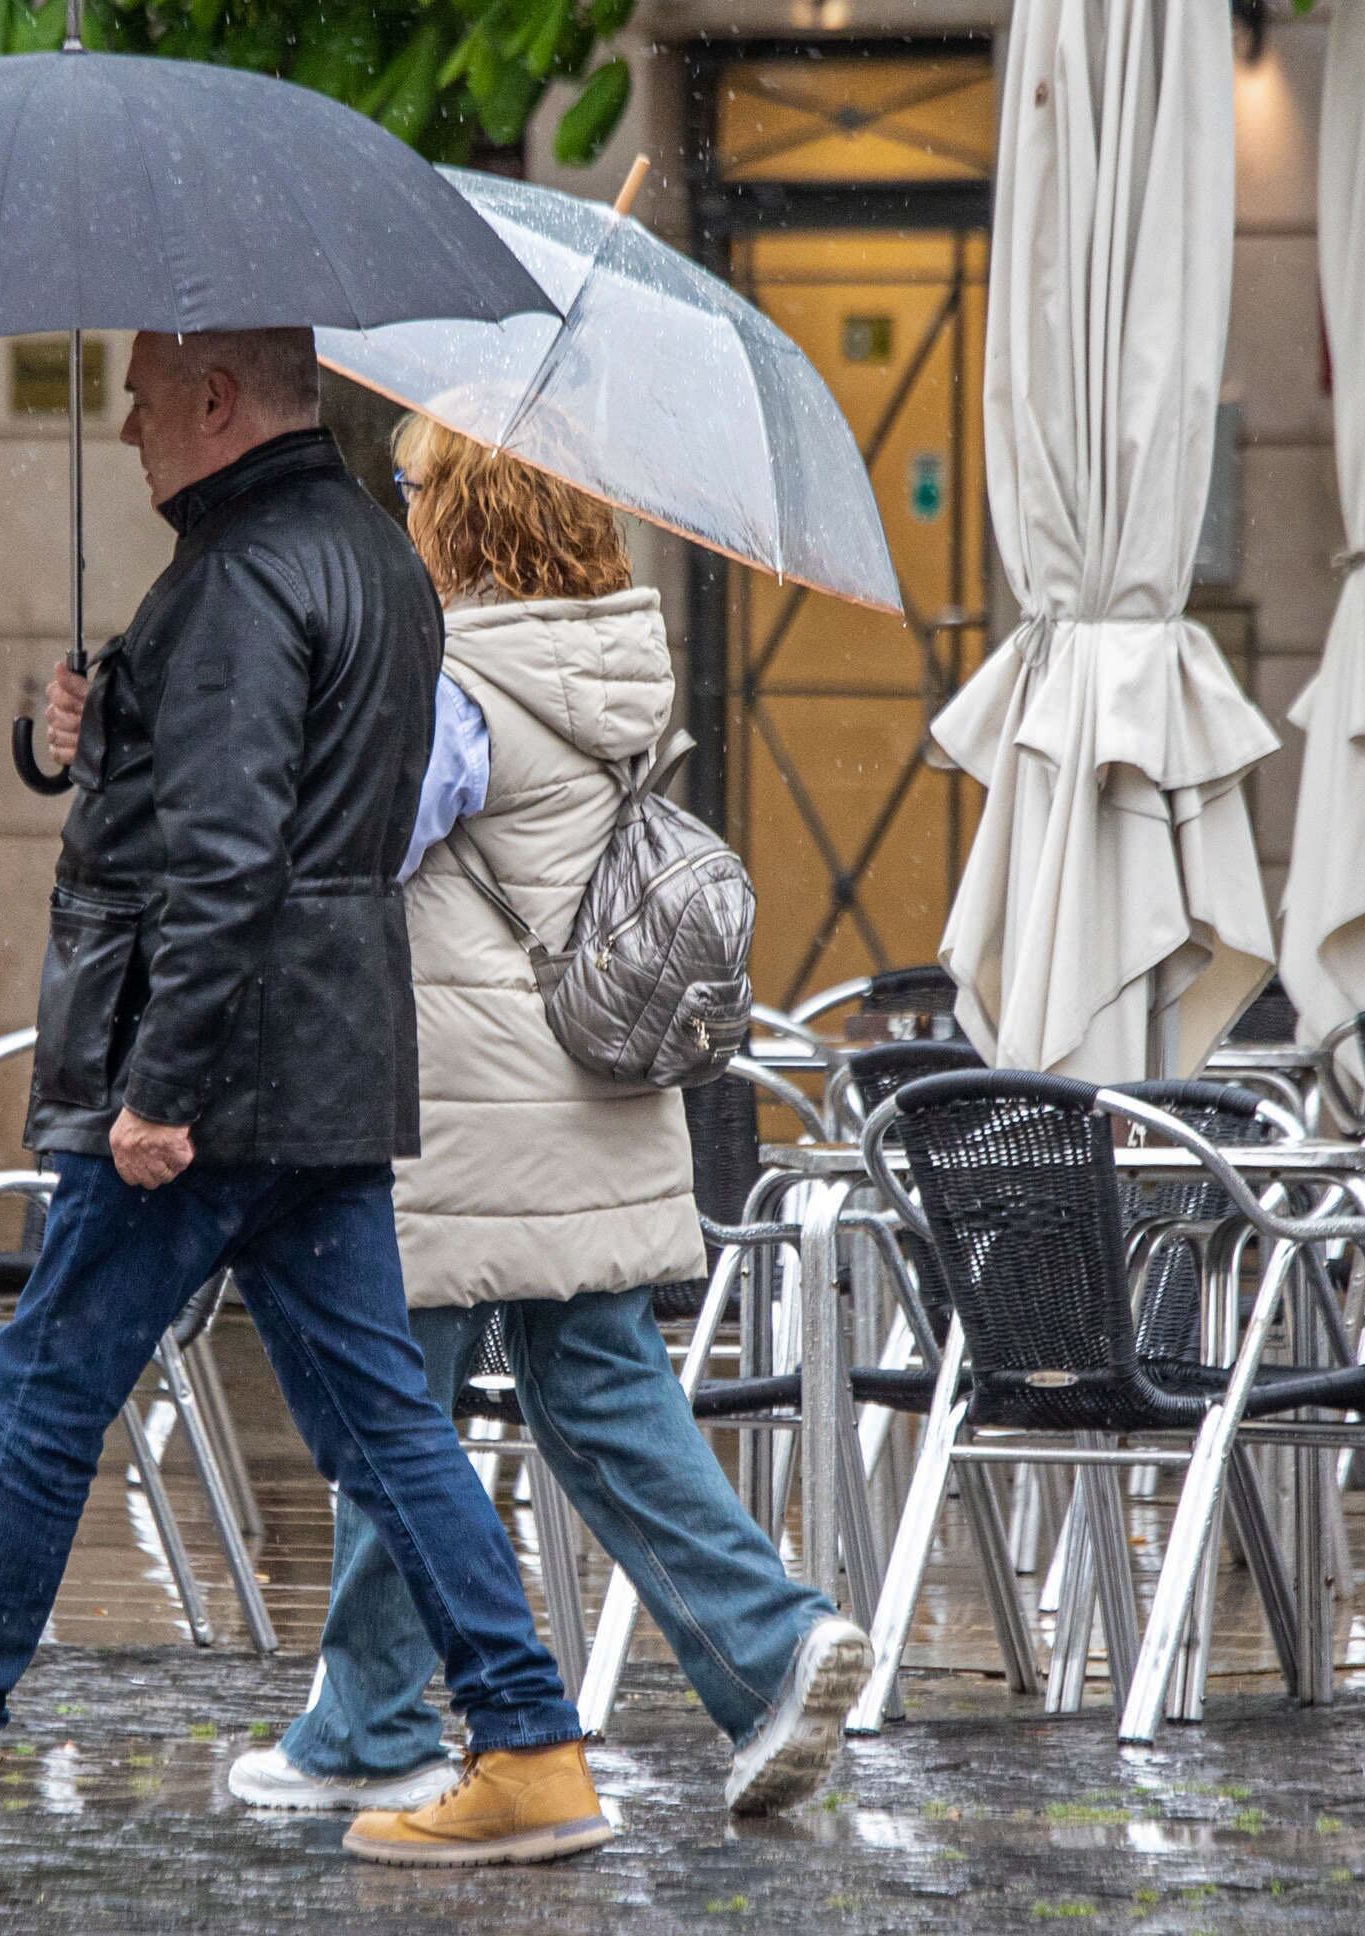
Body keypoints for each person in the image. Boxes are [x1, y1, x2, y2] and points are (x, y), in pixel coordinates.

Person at [0, 330, 613, 1872]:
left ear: (217, 400)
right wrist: (74, 728)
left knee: (44, 1386)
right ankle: (530, 1745)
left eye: (143, 401)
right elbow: (301, 807)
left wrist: (160, 1086)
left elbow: (228, 857)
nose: (127, 430)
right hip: (328, 1060)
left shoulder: (236, 580)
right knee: (384, 1422)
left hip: (216, 1087)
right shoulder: (377, 559)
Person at [224, 416, 871, 1824]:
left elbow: (355, 849)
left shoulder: (459, 688)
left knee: (395, 1413)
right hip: (594, 1108)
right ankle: (774, 1649)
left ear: (462, 518)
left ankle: (367, 1725)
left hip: (462, 1120)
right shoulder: (612, 668)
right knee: (607, 1399)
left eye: (412, 488)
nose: (396, 510)